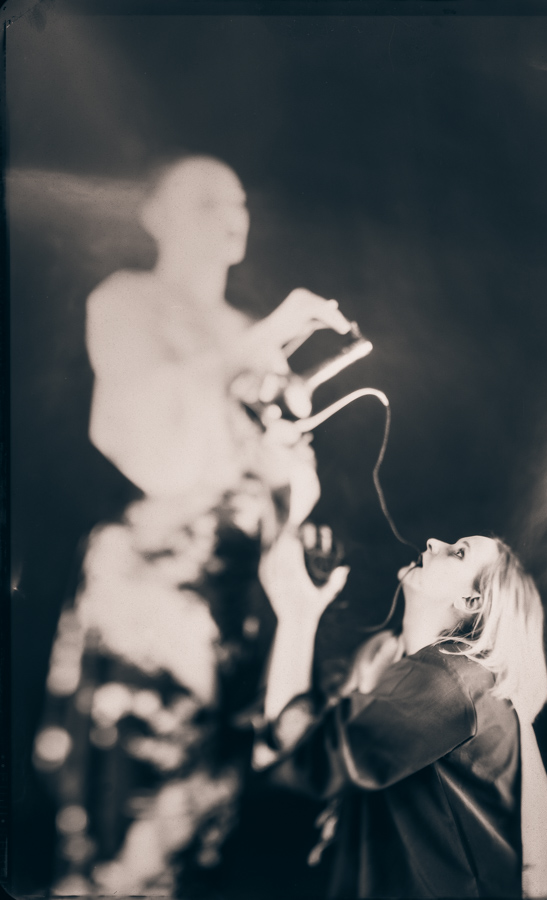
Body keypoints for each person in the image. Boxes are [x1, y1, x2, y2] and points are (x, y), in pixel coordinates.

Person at [34, 154, 352, 896]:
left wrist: (289, 462)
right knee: (134, 812)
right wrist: (266, 341)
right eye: (207, 200)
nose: (231, 215)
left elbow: (285, 486)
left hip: (234, 607)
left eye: (239, 201)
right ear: (156, 215)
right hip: (152, 599)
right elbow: (151, 448)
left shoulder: (245, 330)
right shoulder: (127, 300)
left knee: (212, 814)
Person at [254, 530, 547, 899]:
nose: (433, 542)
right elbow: (308, 734)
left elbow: (300, 754)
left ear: (471, 600)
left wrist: (298, 615)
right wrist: (300, 611)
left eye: (458, 552)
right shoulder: (384, 656)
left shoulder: (452, 683)